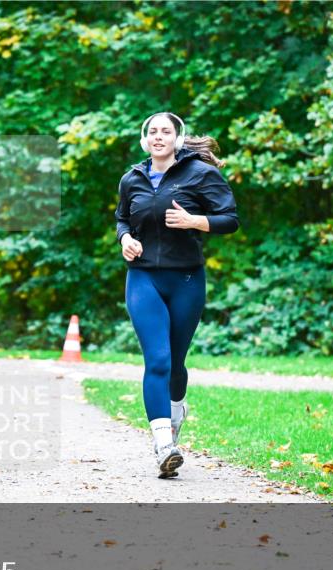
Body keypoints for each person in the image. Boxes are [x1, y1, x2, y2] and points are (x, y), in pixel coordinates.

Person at [115, 112, 240, 478]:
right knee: (157, 359)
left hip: (186, 279)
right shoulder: (131, 178)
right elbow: (123, 217)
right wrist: (125, 239)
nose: (158, 137)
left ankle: (176, 410)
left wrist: (195, 221)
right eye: (152, 132)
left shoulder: (201, 175)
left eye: (165, 131)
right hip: (143, 280)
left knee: (176, 362)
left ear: (177, 138)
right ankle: (163, 444)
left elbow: (229, 218)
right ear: (144, 140)